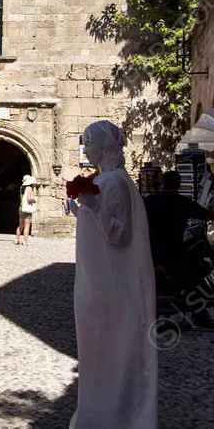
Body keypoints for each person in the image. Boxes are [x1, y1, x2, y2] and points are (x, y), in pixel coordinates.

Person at [64, 121, 156, 427]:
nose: (86, 149)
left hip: (107, 287)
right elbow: (101, 226)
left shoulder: (115, 181)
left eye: (89, 144)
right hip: (96, 283)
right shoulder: (108, 178)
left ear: (103, 148)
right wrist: (82, 210)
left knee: (108, 353)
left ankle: (110, 415)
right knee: (98, 353)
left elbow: (120, 234)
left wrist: (92, 204)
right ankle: (99, 413)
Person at [144, 170, 214, 328]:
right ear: (179, 184)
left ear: (162, 183)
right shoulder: (180, 201)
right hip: (172, 250)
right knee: (193, 277)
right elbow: (206, 214)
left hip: (151, 249)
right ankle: (200, 316)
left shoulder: (149, 200)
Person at [16, 174, 37, 246]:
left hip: (21, 207)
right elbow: (29, 199)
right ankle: (25, 241)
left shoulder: (21, 187)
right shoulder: (29, 188)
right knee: (27, 225)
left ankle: (17, 239)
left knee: (21, 225)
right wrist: (34, 200)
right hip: (27, 208)